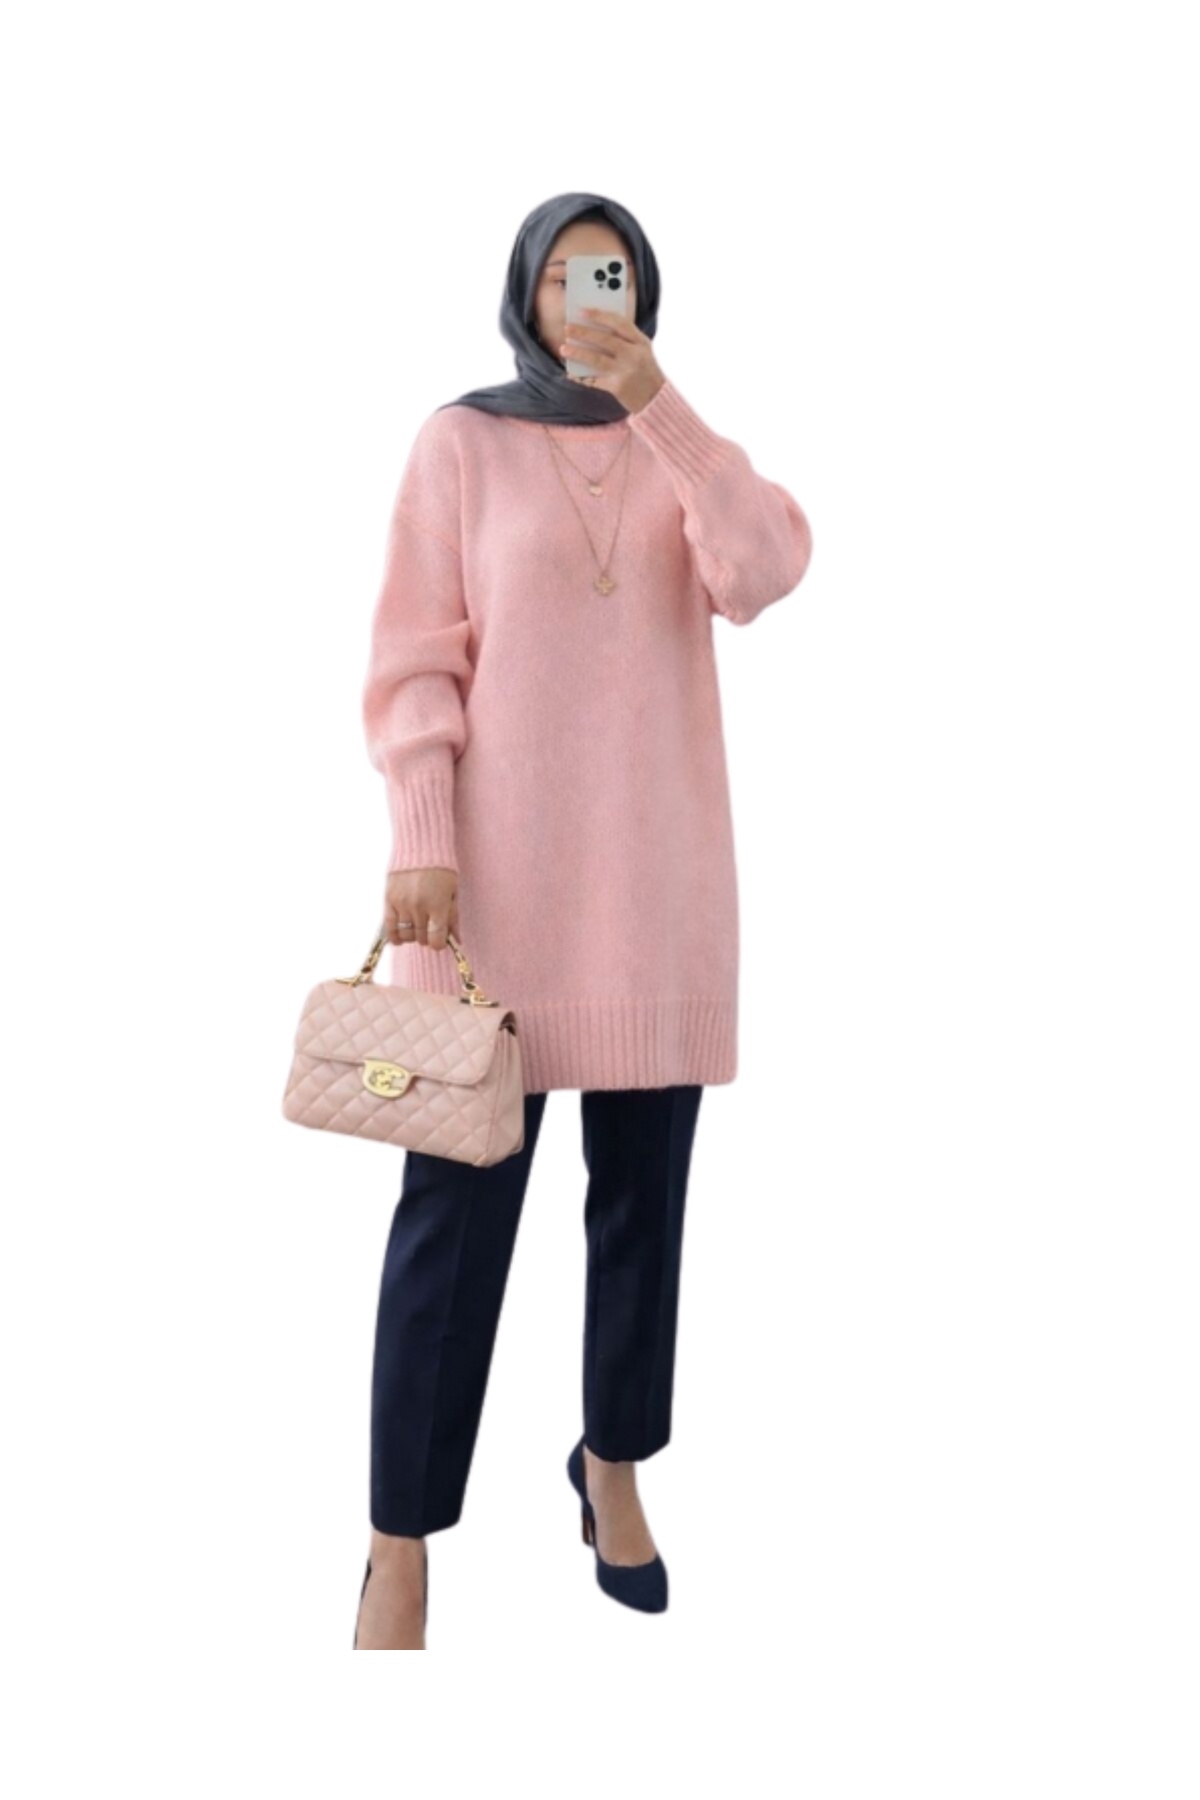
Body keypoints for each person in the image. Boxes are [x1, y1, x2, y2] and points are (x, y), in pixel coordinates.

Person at [353, 191, 813, 1648]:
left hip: (656, 899)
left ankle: (611, 1466)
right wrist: (423, 838)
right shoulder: (460, 444)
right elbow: (413, 660)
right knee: (448, 1232)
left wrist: (662, 404)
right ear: (523, 293)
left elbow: (765, 572)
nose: (581, 297)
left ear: (642, 292)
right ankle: (399, 1540)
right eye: (560, 275)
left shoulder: (682, 451)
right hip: (489, 902)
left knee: (642, 1215)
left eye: (605, 274)